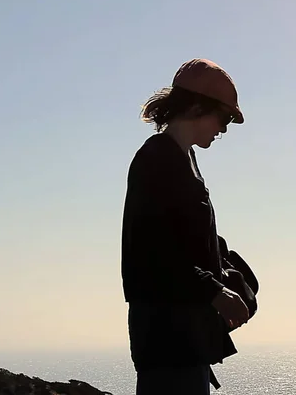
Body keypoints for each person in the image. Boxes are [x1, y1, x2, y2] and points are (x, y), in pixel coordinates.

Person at [121, 58, 250, 394]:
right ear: (195, 106)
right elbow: (152, 253)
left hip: (186, 335)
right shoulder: (157, 159)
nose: (223, 129)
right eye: (223, 117)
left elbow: (186, 241)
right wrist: (216, 292)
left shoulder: (183, 158)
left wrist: (226, 271)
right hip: (167, 337)